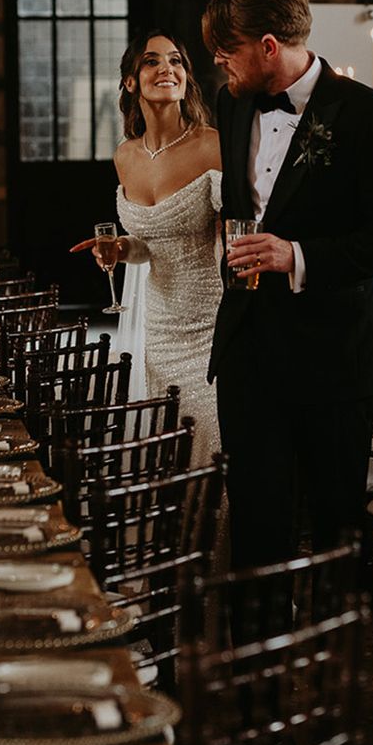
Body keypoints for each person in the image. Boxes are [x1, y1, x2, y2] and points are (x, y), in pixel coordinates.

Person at [201, 0, 373, 571]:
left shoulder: (369, 117)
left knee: (334, 536)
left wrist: (295, 256)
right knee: (257, 531)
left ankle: (331, 661)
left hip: (334, 362)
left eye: (228, 54)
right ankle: (256, 660)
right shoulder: (232, 103)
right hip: (249, 351)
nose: (222, 68)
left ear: (268, 45)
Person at [72, 29, 223, 471]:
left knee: (212, 439)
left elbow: (239, 232)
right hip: (159, 327)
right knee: (171, 439)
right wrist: (121, 248)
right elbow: (151, 246)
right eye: (152, 61)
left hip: (211, 323)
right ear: (131, 82)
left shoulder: (213, 145)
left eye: (176, 61)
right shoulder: (126, 156)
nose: (167, 69)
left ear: (186, 78)